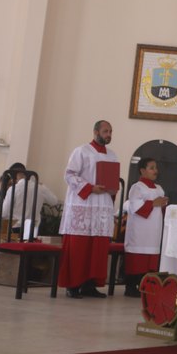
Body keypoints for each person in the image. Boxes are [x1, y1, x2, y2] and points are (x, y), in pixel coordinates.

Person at [59, 120, 119, 299]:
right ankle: (73, 285)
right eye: (105, 131)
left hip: (102, 207)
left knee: (97, 248)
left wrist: (112, 188)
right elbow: (69, 175)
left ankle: (89, 285)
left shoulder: (112, 155)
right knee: (79, 247)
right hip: (83, 205)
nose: (108, 134)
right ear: (95, 132)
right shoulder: (81, 151)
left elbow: (113, 180)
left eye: (110, 131)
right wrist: (90, 188)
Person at [124, 158, 167, 297]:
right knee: (138, 258)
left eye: (156, 167)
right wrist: (153, 203)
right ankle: (131, 287)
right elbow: (135, 206)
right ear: (142, 170)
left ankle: (147, 285)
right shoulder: (137, 187)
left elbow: (161, 208)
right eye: (151, 167)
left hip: (154, 230)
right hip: (139, 230)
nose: (155, 170)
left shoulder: (159, 188)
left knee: (150, 257)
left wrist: (164, 204)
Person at [0, 162, 59, 231]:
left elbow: (4, 213)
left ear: (13, 174)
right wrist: (42, 186)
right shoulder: (40, 187)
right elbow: (54, 201)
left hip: (16, 228)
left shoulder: (13, 189)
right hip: (33, 229)